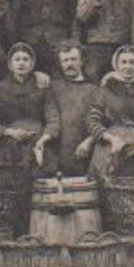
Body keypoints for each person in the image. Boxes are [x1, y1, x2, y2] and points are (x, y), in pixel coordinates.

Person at [86, 46, 134, 181]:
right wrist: (110, 138)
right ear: (116, 65)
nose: (127, 67)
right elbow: (92, 120)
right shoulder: (105, 90)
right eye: (123, 62)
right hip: (111, 147)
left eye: (131, 62)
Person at [0, 42, 50, 167]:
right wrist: (9, 132)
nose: (21, 63)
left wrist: (44, 138)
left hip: (38, 141)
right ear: (10, 65)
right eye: (17, 59)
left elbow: (53, 117)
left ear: (32, 64)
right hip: (9, 146)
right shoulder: (0, 89)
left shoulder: (42, 87)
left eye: (25, 59)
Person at [37, 43, 99, 177]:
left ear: (82, 61)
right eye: (65, 60)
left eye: (73, 59)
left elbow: (101, 120)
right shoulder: (52, 87)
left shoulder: (94, 89)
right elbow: (50, 117)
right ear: (60, 63)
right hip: (58, 149)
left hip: (86, 148)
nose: (69, 64)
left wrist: (90, 141)